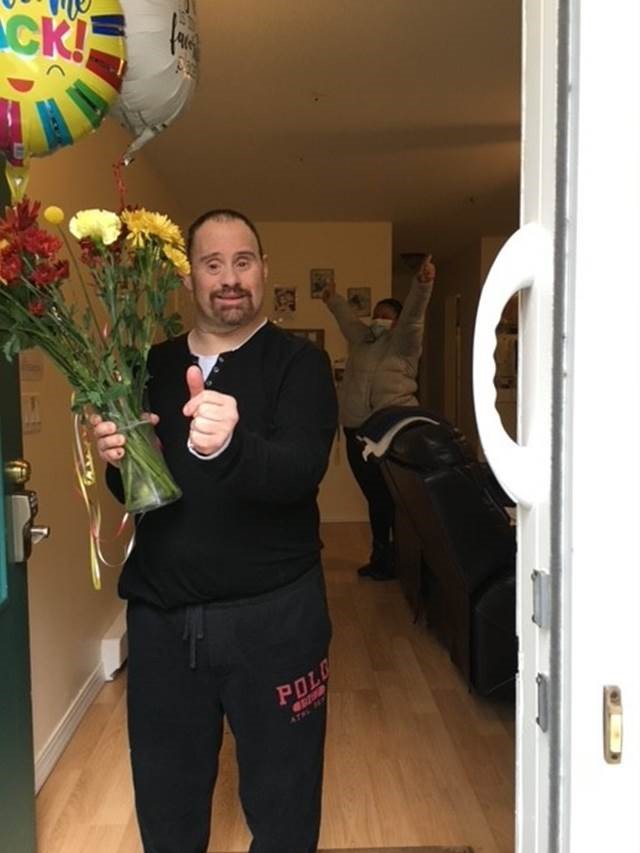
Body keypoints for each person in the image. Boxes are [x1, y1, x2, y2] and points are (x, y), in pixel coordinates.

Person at [91, 210, 338, 853]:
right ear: (189, 279)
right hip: (164, 625)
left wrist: (231, 444)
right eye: (212, 264)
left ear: (264, 270)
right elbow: (135, 495)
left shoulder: (299, 366)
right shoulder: (150, 363)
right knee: (167, 811)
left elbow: (299, 472)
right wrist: (117, 461)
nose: (230, 279)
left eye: (243, 262)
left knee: (284, 813)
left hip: (277, 623)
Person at [322, 255, 436, 580]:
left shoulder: (404, 345)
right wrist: (332, 298)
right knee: (376, 496)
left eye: (386, 316)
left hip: (393, 430)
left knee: (397, 496)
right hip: (357, 428)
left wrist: (422, 285)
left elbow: (414, 316)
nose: (378, 320)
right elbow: (346, 319)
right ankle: (382, 557)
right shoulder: (362, 340)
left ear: (397, 322)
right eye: (375, 315)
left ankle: (408, 560)